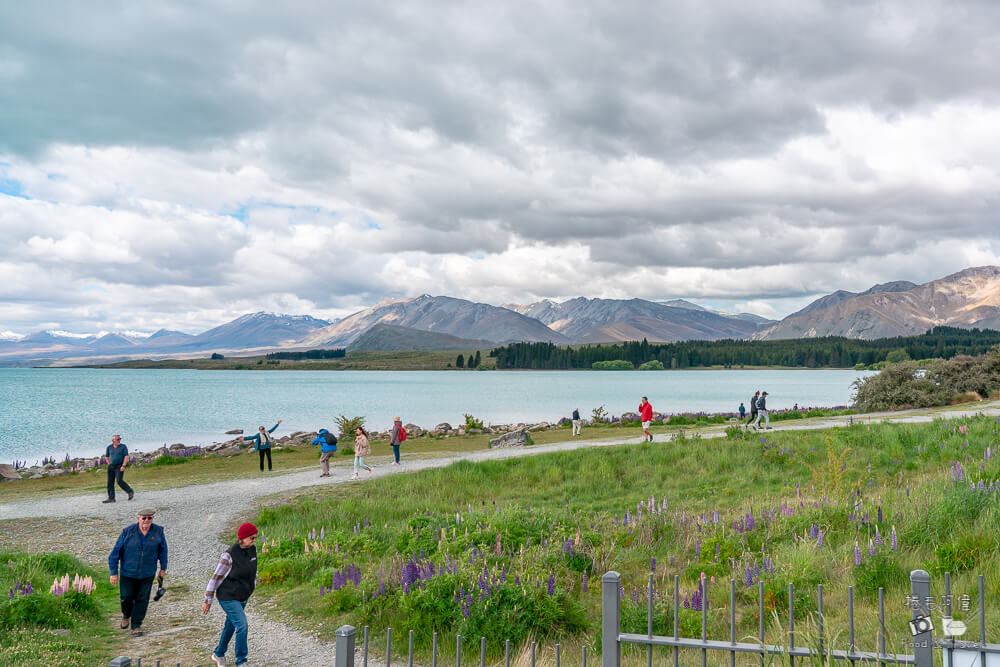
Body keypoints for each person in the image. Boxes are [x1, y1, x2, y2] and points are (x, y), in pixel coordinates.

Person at [203, 522, 259, 667]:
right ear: (242, 538)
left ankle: (218, 653)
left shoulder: (253, 550)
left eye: (255, 537)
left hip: (243, 596)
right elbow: (215, 578)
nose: (254, 540)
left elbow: (253, 571)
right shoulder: (229, 555)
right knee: (242, 625)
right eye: (251, 538)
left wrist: (253, 585)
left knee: (231, 625)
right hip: (228, 596)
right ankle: (241, 661)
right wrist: (207, 600)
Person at [109, 508, 167, 637]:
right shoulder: (128, 532)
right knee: (126, 597)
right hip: (128, 572)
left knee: (142, 599)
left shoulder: (158, 531)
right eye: (143, 518)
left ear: (153, 519)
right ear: (138, 519)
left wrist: (163, 568)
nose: (146, 520)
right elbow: (115, 553)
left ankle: (136, 625)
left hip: (147, 573)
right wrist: (113, 572)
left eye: (149, 518)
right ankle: (126, 615)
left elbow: (163, 550)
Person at [103, 434, 134, 503]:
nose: (119, 440)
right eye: (118, 439)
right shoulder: (109, 447)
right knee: (110, 483)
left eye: (120, 439)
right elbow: (107, 457)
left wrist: (123, 466)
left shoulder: (123, 447)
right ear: (113, 440)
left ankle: (130, 491)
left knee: (119, 481)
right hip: (111, 466)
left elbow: (126, 456)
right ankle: (111, 498)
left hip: (119, 466)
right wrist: (109, 464)